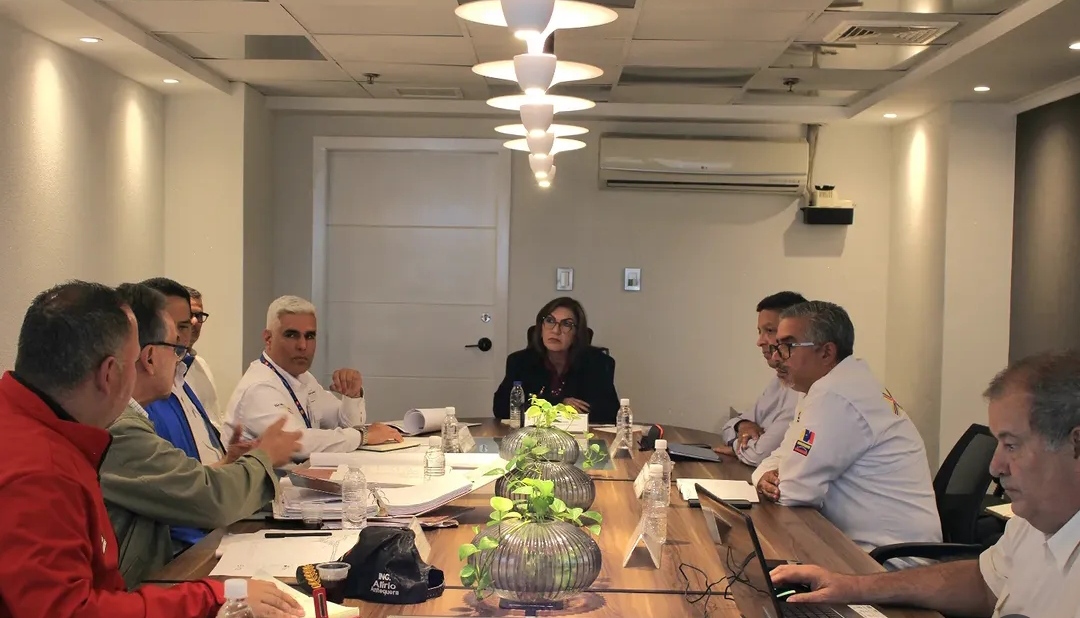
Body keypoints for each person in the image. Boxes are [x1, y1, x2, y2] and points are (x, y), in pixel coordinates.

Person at [0, 280, 302, 617]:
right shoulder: (38, 470)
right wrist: (213, 597)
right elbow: (72, 611)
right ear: (110, 373)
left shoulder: (41, 430)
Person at [771, 351, 1080, 617]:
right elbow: (983, 583)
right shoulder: (1030, 523)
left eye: (1011, 445)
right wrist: (850, 586)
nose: (995, 467)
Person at [100, 283, 303, 587]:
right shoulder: (120, 427)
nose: (180, 359)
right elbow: (206, 498)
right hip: (149, 580)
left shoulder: (137, 412)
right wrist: (265, 457)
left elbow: (180, 478)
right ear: (150, 357)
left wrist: (230, 464)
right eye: (176, 348)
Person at [750, 300, 941, 550]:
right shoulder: (826, 387)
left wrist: (769, 479)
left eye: (787, 347)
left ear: (826, 352)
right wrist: (762, 476)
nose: (776, 357)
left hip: (888, 558)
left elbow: (792, 492)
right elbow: (781, 455)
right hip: (858, 545)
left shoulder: (836, 395)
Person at [225, 295, 402, 460]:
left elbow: (347, 425)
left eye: (310, 336)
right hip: (269, 482)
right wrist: (363, 436)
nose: (303, 345)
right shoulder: (259, 387)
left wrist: (352, 396)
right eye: (291, 335)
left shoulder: (303, 378)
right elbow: (296, 443)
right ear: (268, 338)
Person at [140, 277, 225, 468]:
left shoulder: (183, 374)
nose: (178, 335)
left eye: (184, 325)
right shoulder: (144, 396)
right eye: (170, 326)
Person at [493, 297, 619, 424]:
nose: (555, 330)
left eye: (566, 324)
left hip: (581, 434)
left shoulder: (597, 363)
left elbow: (609, 413)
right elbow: (501, 408)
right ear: (540, 329)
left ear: (576, 334)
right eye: (550, 321)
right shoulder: (520, 362)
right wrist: (559, 403)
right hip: (533, 434)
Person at [715, 291, 806, 466]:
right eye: (760, 331)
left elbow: (759, 454)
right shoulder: (779, 381)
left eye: (770, 331)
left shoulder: (802, 387)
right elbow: (730, 426)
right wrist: (743, 426)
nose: (760, 341)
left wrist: (736, 447)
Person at [185, 286, 223, 430]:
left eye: (199, 316)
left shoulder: (201, 365)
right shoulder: (161, 370)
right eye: (189, 314)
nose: (195, 321)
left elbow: (215, 419)